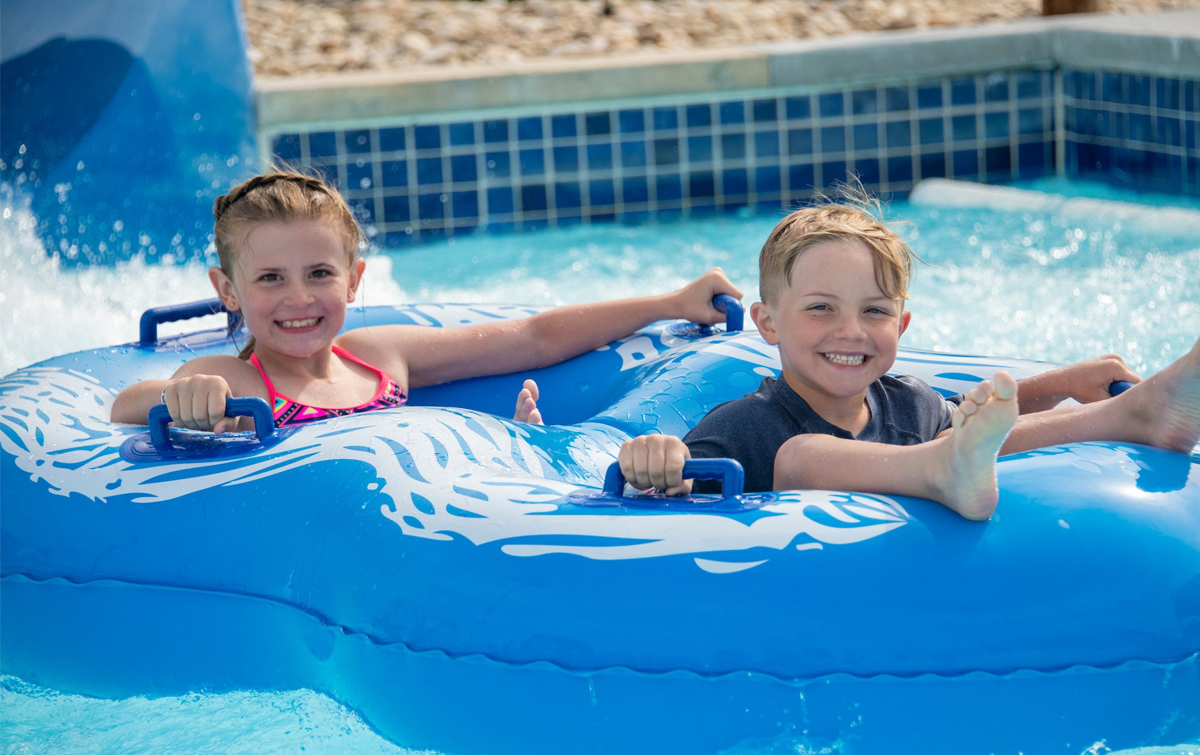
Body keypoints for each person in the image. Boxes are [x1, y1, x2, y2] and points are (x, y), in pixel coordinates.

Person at [617, 192, 1200, 520]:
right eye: (821, 309)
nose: (851, 331)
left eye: (874, 312)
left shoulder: (909, 404)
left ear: (903, 324)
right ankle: (938, 472)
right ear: (766, 324)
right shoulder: (743, 426)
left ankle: (1139, 414)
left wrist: (1065, 382)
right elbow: (658, 483)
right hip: (799, 590)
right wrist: (656, 459)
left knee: (971, 431)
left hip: (941, 460)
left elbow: (987, 422)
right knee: (802, 456)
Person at [110, 171, 741, 430]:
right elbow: (126, 405)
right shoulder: (237, 377)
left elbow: (532, 339)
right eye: (270, 279)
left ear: (354, 281)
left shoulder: (376, 359)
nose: (298, 298)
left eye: (320, 273)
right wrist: (177, 398)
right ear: (228, 292)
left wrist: (671, 301)